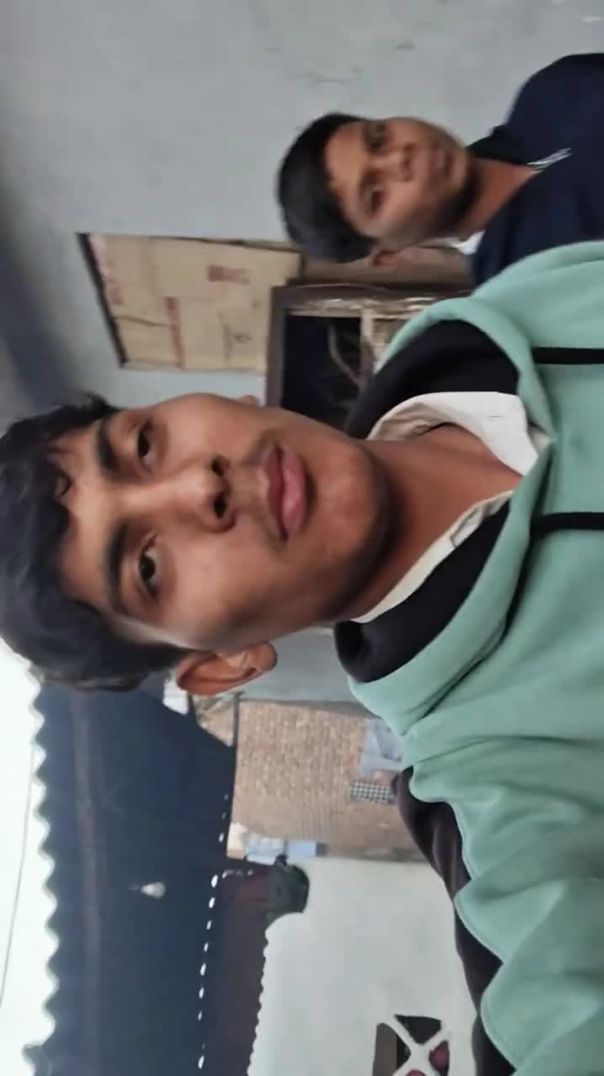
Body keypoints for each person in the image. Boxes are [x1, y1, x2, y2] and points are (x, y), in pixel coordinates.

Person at [4, 241, 604, 1073]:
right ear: (223, 665)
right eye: (148, 566)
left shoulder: (514, 314)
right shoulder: (503, 800)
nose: (198, 486)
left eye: (144, 445)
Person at [278, 53, 604, 284]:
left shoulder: (552, 90)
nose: (400, 157)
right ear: (386, 254)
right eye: (376, 194)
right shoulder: (530, 287)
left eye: (379, 138)